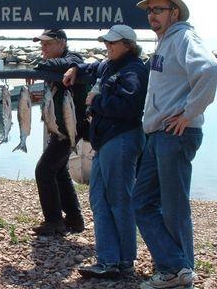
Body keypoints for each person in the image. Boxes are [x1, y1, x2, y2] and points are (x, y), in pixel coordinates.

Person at [132, 0, 217, 289]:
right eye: (149, 10)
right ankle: (177, 266)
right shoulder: (166, 41)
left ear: (174, 12)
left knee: (173, 205)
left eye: (158, 10)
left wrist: (188, 113)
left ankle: (175, 271)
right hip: (158, 134)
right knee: (141, 202)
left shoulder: (183, 36)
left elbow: (210, 69)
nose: (152, 16)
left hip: (175, 133)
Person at [63, 24, 148, 278]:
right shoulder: (109, 65)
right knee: (99, 199)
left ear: (128, 45)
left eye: (112, 43)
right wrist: (75, 68)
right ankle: (108, 259)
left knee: (119, 200)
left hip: (121, 140)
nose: (107, 47)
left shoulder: (134, 70)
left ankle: (124, 261)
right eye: (106, 43)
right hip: (105, 142)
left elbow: (130, 106)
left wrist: (96, 101)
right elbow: (91, 67)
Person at [30, 29, 87, 235]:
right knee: (59, 170)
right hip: (61, 126)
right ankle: (74, 219)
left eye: (48, 44)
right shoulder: (61, 62)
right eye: (41, 44)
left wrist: (38, 68)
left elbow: (66, 63)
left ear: (62, 43)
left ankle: (54, 221)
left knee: (43, 170)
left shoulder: (73, 59)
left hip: (70, 128)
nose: (43, 48)